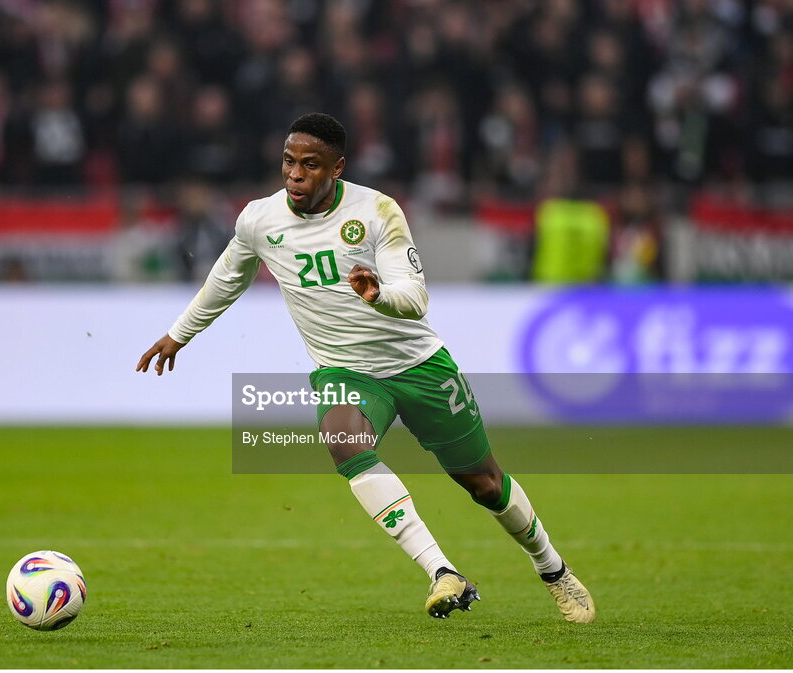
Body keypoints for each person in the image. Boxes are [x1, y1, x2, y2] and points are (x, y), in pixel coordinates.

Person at [137, 113, 595, 622]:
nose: (295, 174)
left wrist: (378, 298)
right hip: (345, 372)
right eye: (289, 161)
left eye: (310, 165)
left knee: (484, 483)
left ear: (337, 169)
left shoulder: (377, 211)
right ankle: (442, 571)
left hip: (418, 365)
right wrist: (180, 333)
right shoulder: (259, 220)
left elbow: (416, 298)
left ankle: (551, 567)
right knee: (344, 441)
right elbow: (227, 276)